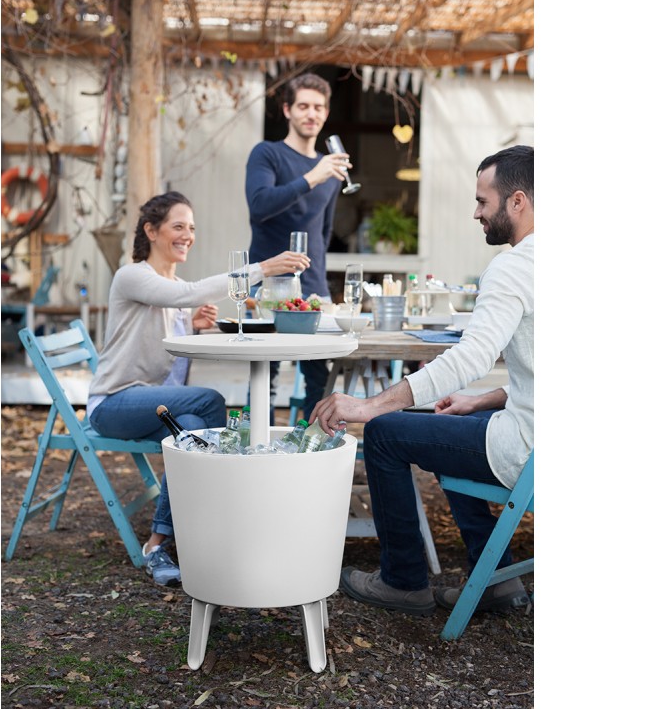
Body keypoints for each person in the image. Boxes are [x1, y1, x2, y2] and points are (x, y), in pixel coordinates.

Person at [311, 145, 534, 616]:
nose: (476, 213)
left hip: (528, 447)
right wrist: (485, 400)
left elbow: (471, 355)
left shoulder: (514, 267)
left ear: (517, 202)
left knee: (388, 432)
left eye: (482, 201)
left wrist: (372, 406)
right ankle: (495, 581)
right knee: (447, 424)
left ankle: (403, 581)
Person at [86, 191, 309, 586]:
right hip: (115, 404)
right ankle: (221, 514)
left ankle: (159, 542)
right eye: (178, 226)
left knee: (192, 427)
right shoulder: (134, 275)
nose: (188, 234)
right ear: (151, 231)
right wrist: (264, 267)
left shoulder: (173, 287)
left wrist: (191, 327)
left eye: (191, 228)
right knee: (210, 402)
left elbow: (167, 345)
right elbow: (186, 296)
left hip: (152, 406)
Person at [245, 72, 352, 420]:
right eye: (303, 106)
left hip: (312, 290)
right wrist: (312, 177)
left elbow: (322, 233)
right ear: (288, 110)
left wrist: (321, 289)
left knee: (319, 377)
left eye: (319, 107)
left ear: (326, 112)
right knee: (265, 373)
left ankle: (308, 450)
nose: (312, 114)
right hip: (268, 285)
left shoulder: (329, 170)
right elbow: (260, 206)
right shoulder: (268, 154)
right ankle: (253, 448)